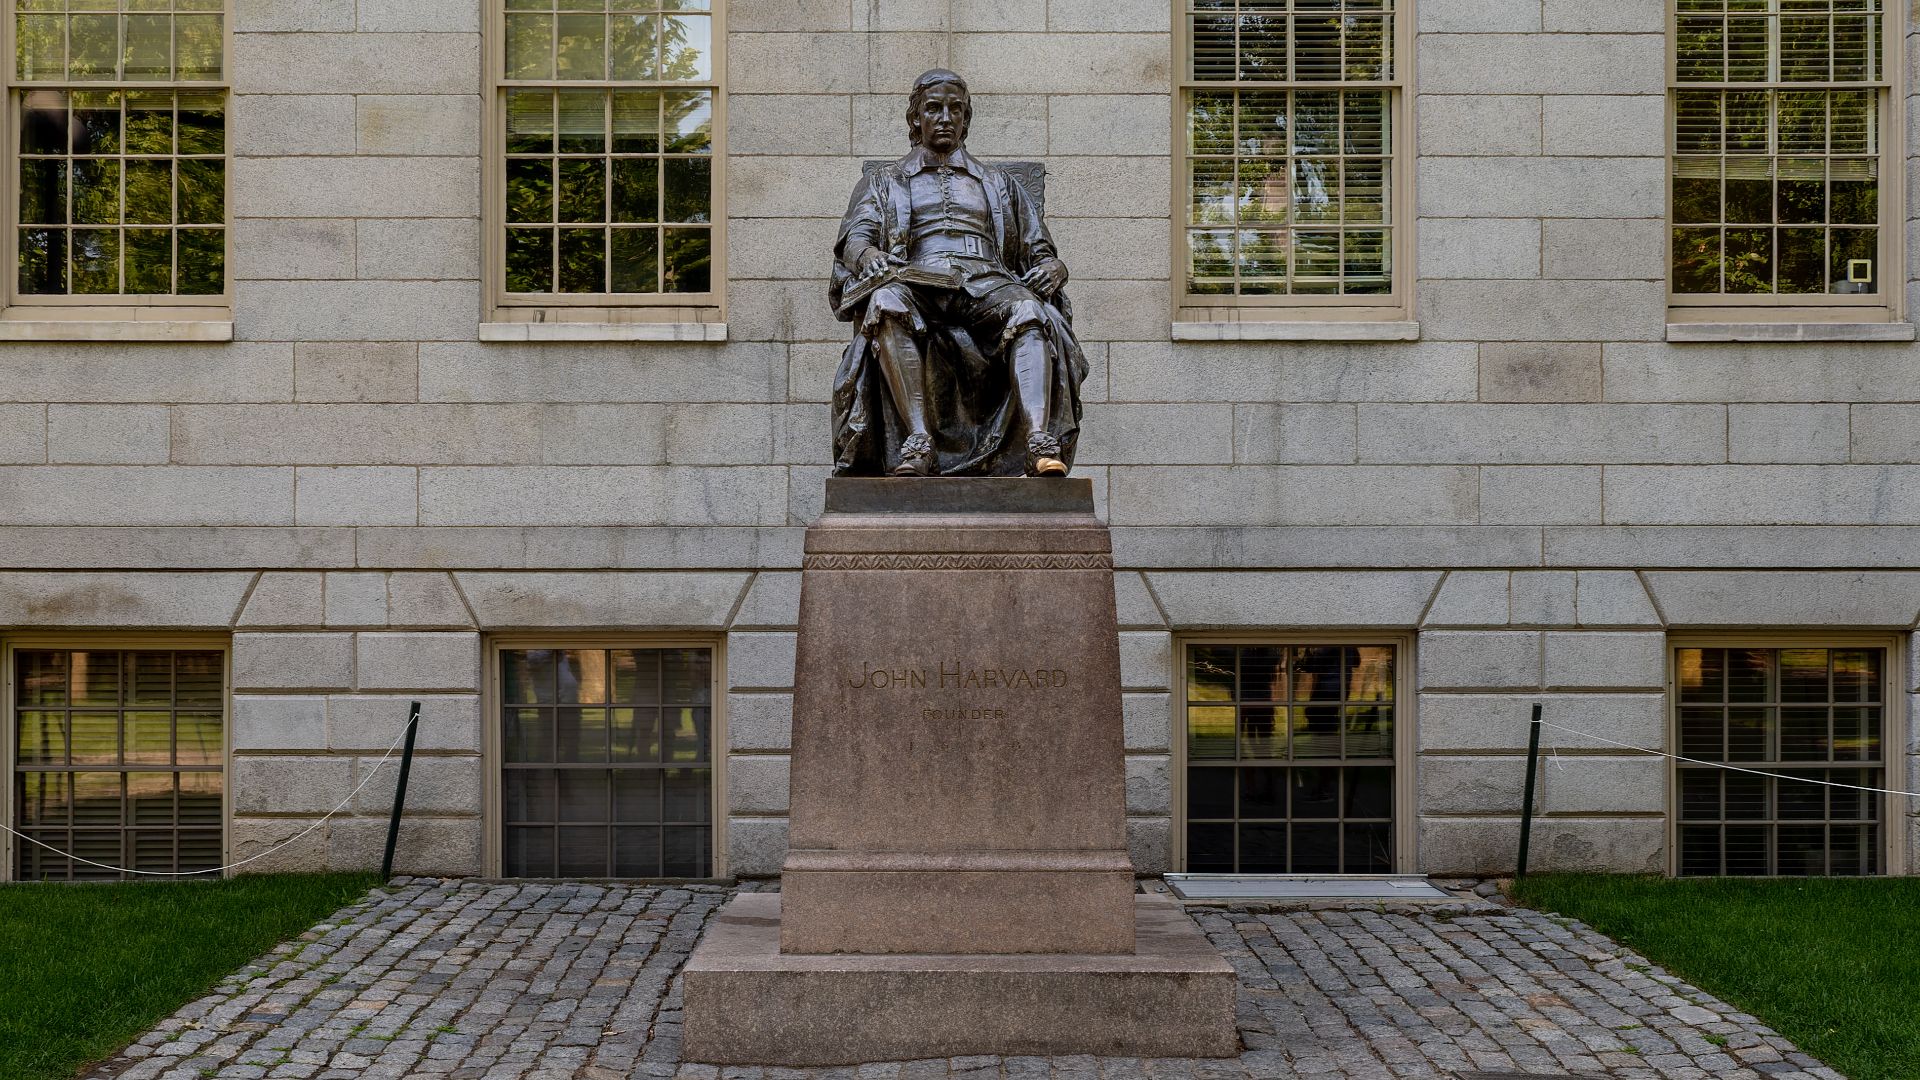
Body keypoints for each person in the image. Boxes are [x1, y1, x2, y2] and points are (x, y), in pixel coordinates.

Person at [829, 69, 1090, 478]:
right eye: (934, 108)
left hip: (987, 282)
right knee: (884, 300)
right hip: (918, 282)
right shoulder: (885, 181)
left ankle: (1039, 442)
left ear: (967, 118)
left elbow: (1040, 251)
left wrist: (1055, 268)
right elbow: (855, 239)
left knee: (1028, 311)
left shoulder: (999, 184)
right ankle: (918, 442)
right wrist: (867, 257)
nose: (945, 118)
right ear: (916, 118)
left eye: (956, 109)